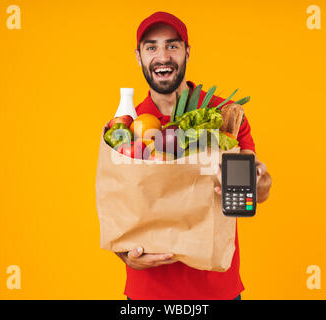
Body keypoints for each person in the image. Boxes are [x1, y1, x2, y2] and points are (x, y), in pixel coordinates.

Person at [115, 11, 272, 300]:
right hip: (149, 291)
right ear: (138, 56)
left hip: (216, 288)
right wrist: (125, 255)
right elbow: (119, 202)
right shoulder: (128, 125)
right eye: (151, 47)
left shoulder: (225, 115)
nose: (162, 56)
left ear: (187, 51)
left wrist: (260, 182)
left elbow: (255, 189)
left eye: (172, 46)